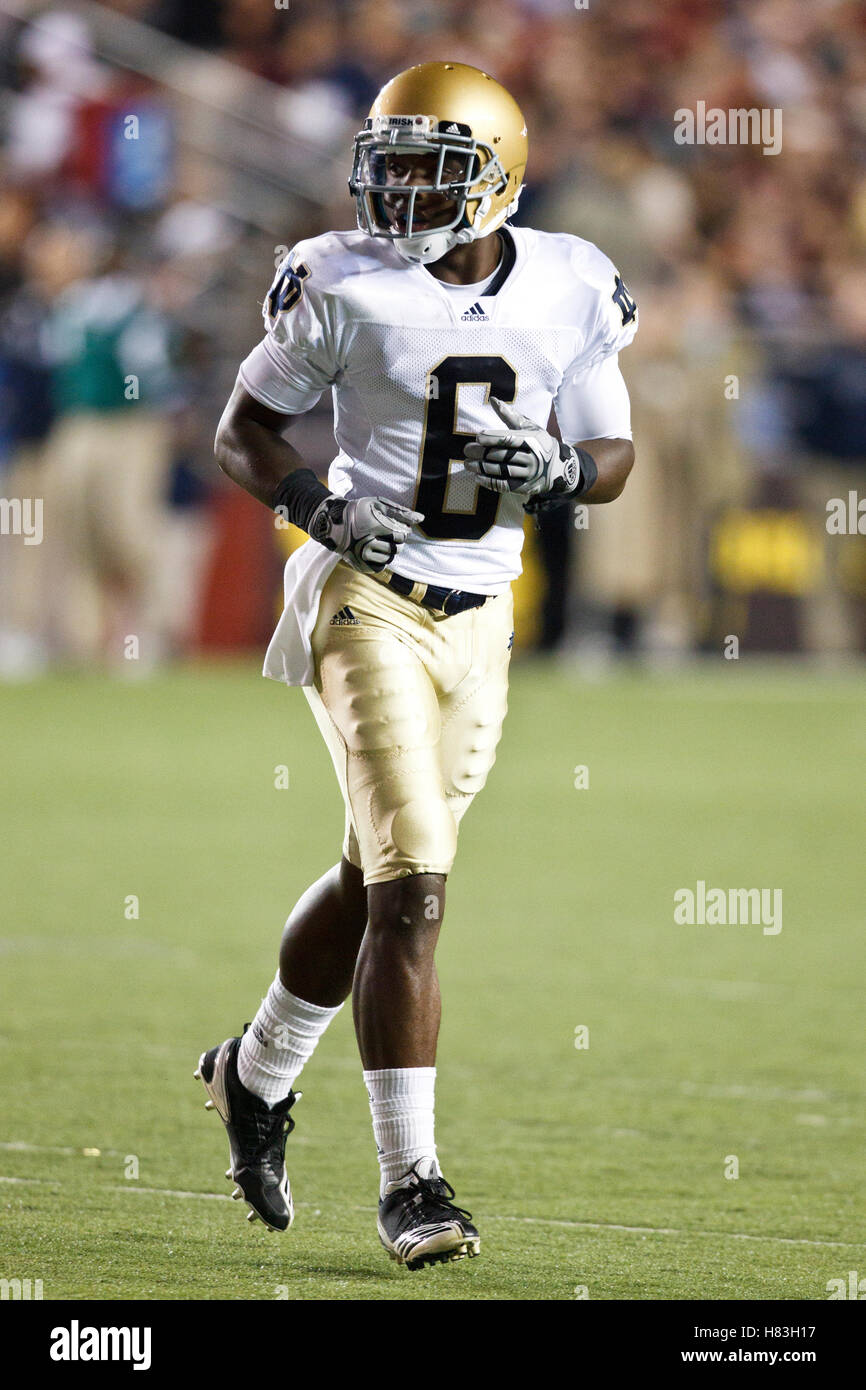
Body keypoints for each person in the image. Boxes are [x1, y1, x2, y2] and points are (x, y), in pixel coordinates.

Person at [197, 60, 637, 1271]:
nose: (394, 190)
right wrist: (317, 508)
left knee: (375, 872)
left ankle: (254, 1070)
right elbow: (244, 431)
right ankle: (412, 1181)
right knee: (416, 886)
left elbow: (610, 449)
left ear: (496, 178)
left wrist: (555, 475)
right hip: (364, 599)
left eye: (427, 168)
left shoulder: (569, 280)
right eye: (385, 161)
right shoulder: (337, 280)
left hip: (481, 614)